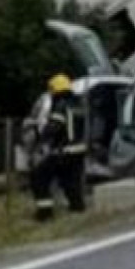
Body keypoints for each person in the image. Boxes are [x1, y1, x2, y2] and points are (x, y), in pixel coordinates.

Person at [30, 73, 88, 222]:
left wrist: (41, 141)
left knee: (39, 177)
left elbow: (54, 128)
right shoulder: (79, 104)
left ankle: (45, 213)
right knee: (71, 182)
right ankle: (78, 208)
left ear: (56, 90)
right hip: (79, 150)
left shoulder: (61, 105)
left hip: (63, 152)